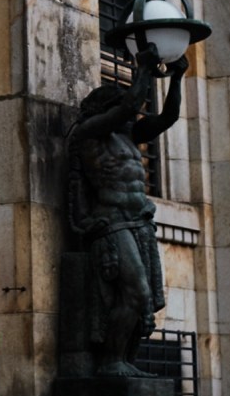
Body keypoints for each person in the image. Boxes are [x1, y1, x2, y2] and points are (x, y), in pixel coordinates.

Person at [65, 46, 187, 376]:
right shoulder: (90, 133)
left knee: (145, 300)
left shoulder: (129, 135)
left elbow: (168, 117)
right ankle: (110, 361)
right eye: (121, 107)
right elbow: (131, 105)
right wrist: (143, 69)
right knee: (136, 292)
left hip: (140, 221)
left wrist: (177, 77)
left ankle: (125, 361)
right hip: (113, 221)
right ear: (107, 108)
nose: (131, 114)